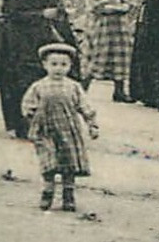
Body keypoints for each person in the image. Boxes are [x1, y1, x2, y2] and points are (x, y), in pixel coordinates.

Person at [0, 0, 78, 139]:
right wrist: (41, 14)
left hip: (44, 38)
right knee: (23, 82)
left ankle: (47, 123)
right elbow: (11, 13)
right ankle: (22, 123)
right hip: (20, 40)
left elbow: (56, 11)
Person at [21, 42, 100, 212]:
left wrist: (92, 125)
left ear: (70, 66)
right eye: (54, 64)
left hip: (68, 130)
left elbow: (85, 107)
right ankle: (48, 192)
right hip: (46, 131)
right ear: (45, 65)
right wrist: (31, 119)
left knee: (69, 163)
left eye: (63, 65)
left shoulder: (73, 87)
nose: (58, 69)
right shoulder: (38, 86)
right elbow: (28, 106)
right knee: (48, 162)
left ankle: (68, 194)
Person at [82, 0, 137, 101]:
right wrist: (113, 7)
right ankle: (82, 89)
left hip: (119, 24)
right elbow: (96, 4)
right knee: (98, 54)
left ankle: (119, 91)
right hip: (102, 24)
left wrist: (124, 6)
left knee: (121, 55)